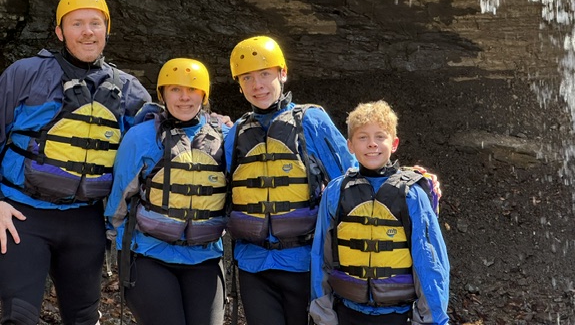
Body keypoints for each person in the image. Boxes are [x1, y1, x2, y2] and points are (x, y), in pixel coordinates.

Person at [0, 0, 151, 325]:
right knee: (19, 317)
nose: (87, 31)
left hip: (85, 221)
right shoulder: (25, 73)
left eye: (95, 23)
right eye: (77, 23)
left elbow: (158, 141)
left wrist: (214, 121)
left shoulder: (128, 89)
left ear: (106, 30)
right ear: (59, 32)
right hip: (23, 215)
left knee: (82, 318)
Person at [225, 35, 357, 325]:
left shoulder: (311, 120)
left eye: (264, 74)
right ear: (239, 84)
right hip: (252, 264)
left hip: (304, 262)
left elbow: (352, 180)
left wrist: (413, 178)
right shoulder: (235, 132)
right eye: (247, 78)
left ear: (282, 74)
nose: (257, 85)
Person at [105, 58, 228, 325]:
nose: (184, 98)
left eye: (192, 90)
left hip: (205, 257)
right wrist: (113, 243)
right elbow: (119, 199)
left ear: (204, 95)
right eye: (175, 90)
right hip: (150, 256)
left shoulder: (226, 136)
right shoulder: (140, 137)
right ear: (161, 94)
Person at [309, 100, 450, 325]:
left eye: (380, 137)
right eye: (362, 137)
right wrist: (323, 314)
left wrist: (431, 320)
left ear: (394, 143)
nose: (372, 144)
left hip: (397, 315)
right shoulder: (336, 192)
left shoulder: (412, 195)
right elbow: (321, 258)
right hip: (346, 312)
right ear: (350, 146)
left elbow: (430, 264)